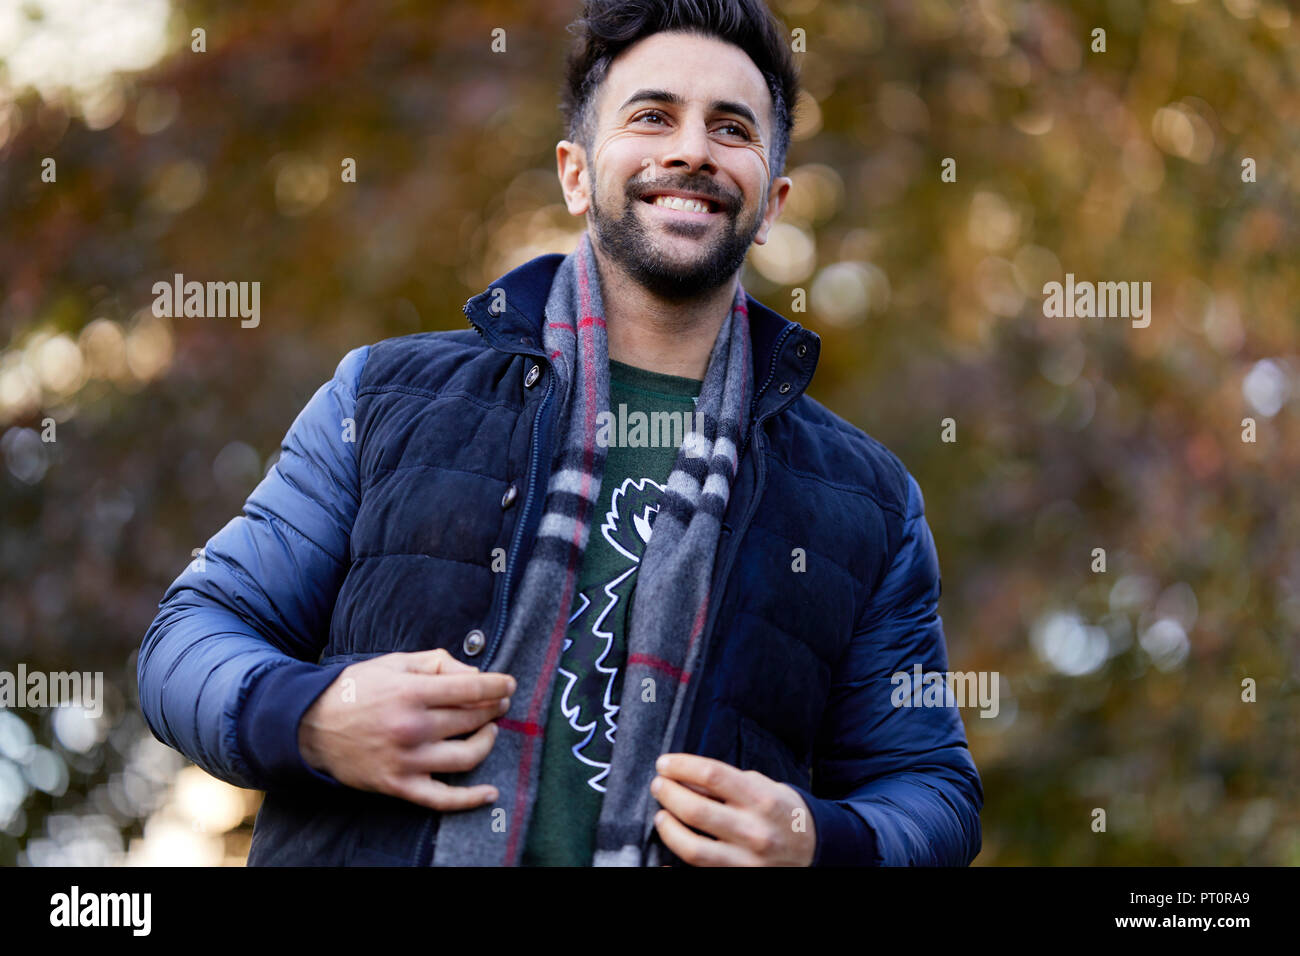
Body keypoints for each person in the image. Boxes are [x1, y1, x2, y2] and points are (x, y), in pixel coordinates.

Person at [137, 0, 982, 867]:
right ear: (576, 174)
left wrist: (815, 837)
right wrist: (314, 719)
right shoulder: (383, 396)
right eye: (652, 116)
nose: (691, 150)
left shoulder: (868, 503)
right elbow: (186, 640)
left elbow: (931, 791)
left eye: (731, 128)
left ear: (771, 203)